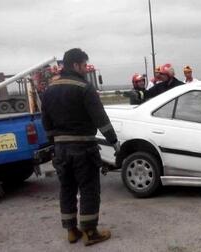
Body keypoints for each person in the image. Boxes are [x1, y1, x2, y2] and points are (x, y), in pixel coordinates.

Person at [41, 48, 120, 246]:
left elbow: (46, 122)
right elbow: (100, 118)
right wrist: (113, 141)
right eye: (84, 65)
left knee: (66, 188)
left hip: (61, 149)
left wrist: (54, 144)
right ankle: (90, 232)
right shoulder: (84, 87)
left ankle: (71, 231)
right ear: (75, 65)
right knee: (89, 189)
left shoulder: (49, 89)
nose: (85, 69)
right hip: (83, 147)